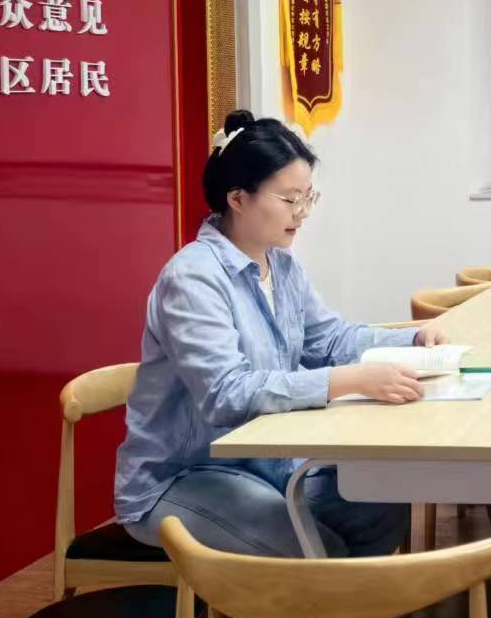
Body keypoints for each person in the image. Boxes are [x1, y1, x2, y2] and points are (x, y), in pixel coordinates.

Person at [117, 110, 441, 560]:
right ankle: (291, 604)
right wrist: (347, 381)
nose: (302, 213)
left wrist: (414, 341)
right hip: (186, 476)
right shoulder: (192, 279)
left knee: (379, 506)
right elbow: (225, 394)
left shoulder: (282, 265)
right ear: (238, 198)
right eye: (290, 199)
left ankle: (325, 603)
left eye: (308, 197)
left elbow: (330, 340)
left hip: (266, 463)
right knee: (316, 551)